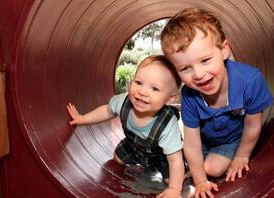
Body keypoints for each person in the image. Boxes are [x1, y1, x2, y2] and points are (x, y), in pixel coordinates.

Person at [161, 8, 274, 198]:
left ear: (224, 50)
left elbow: (252, 125)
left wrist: (241, 156)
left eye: (205, 60)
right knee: (175, 164)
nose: (198, 74)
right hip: (205, 141)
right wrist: (200, 182)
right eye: (185, 68)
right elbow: (192, 143)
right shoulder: (189, 96)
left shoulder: (250, 81)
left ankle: (215, 160)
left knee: (211, 168)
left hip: (233, 139)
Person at [66, 55, 185, 198]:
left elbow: (174, 159)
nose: (142, 91)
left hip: (162, 156)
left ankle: (186, 169)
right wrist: (82, 118)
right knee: (117, 159)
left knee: (170, 180)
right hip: (134, 147)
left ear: (170, 99)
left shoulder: (167, 125)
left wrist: (174, 190)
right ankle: (138, 159)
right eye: (139, 82)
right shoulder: (123, 101)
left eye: (154, 88)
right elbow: (106, 111)